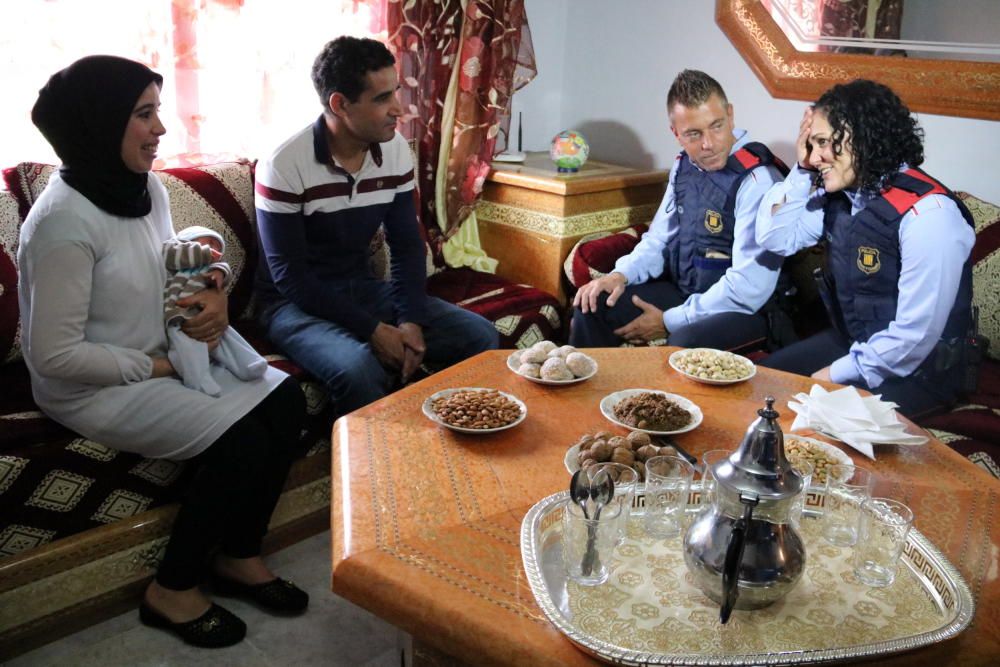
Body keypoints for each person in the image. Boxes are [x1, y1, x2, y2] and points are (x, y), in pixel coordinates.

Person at [20, 55, 309, 649]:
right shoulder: (61, 225)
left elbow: (169, 255)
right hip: (93, 385)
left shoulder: (141, 185)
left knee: (286, 405)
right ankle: (172, 590)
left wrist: (214, 286)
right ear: (99, 124)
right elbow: (53, 356)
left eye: (159, 111)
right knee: (243, 436)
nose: (161, 129)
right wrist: (165, 365)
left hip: (160, 349)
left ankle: (238, 555)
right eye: (144, 114)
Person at [254, 36, 498, 414]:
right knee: (356, 369)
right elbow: (290, 277)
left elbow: (406, 245)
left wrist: (410, 320)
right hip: (291, 304)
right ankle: (375, 469)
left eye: (396, 91)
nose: (399, 109)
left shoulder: (395, 151)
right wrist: (374, 330)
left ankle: (449, 441)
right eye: (382, 98)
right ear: (340, 104)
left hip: (361, 287)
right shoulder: (285, 164)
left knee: (478, 336)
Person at [756, 79, 976, 417]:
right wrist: (800, 171)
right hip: (854, 344)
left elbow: (914, 338)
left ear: (861, 138)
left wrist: (832, 375)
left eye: (823, 144)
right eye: (810, 145)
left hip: (921, 372)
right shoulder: (843, 198)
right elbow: (775, 239)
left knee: (812, 419)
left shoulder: (930, 216)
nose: (815, 158)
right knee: (758, 387)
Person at [570, 69, 792, 351]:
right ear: (676, 133)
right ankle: (589, 394)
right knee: (592, 306)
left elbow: (749, 288)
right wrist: (619, 275)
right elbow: (659, 239)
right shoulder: (683, 165)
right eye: (694, 134)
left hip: (747, 311)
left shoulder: (758, 181)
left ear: (731, 115)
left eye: (717, 126)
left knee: (684, 341)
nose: (708, 144)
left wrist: (671, 320)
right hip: (687, 291)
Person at [162, 225, 267, 395]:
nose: (215, 250)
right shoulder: (177, 252)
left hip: (208, 313)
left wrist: (219, 273)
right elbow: (168, 255)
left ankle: (249, 363)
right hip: (178, 315)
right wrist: (203, 252)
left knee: (228, 337)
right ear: (190, 238)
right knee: (185, 349)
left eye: (219, 248)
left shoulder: (210, 267)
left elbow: (225, 269)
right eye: (210, 242)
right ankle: (198, 380)